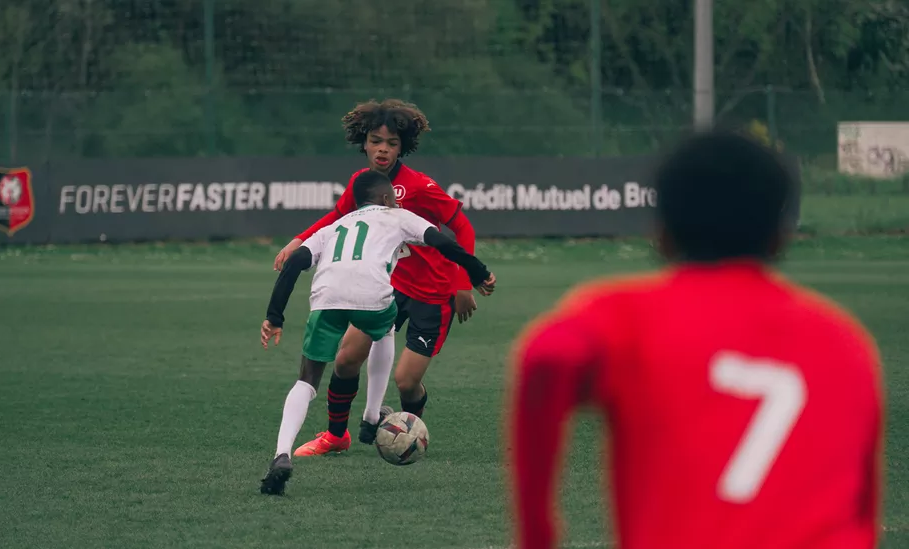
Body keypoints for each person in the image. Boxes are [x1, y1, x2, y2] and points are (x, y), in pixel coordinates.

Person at [507, 130, 884, 549]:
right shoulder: (844, 343)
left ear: (662, 233)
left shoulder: (629, 317)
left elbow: (548, 356)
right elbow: (862, 513)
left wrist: (537, 534)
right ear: (781, 235)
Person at [260, 169, 496, 496]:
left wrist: (274, 317)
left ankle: (282, 454)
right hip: (373, 298)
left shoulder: (333, 227)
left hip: (326, 300)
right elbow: (443, 242)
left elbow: (294, 263)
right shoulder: (397, 216)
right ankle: (371, 418)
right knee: (384, 324)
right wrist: (478, 272)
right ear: (387, 199)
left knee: (307, 380)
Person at [273, 99, 480, 456]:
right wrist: (298, 241)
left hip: (432, 292)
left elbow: (462, 227)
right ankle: (336, 436)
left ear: (402, 147)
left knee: (407, 382)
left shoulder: (419, 186)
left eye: (391, 143)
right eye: (376, 141)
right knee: (345, 359)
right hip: (388, 288)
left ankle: (408, 437)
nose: (383, 149)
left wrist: (463, 284)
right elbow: (335, 218)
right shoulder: (362, 183)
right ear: (364, 143)